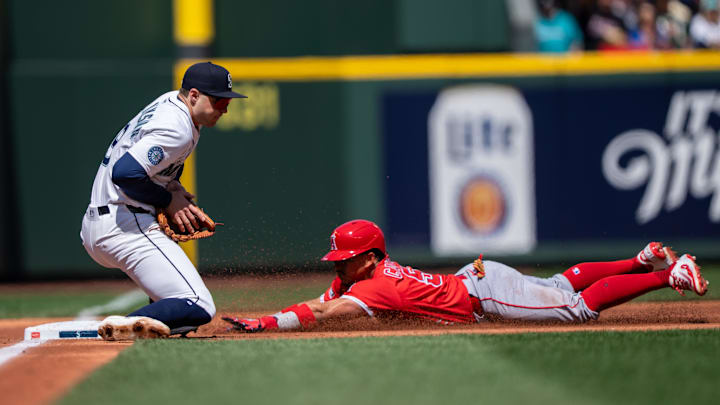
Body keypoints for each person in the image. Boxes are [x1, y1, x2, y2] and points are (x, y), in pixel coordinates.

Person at [223, 220, 708, 332]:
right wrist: (277, 315)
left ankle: (668, 275)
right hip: (474, 278)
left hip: (485, 294)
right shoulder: (361, 273)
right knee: (561, 285)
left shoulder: (375, 283)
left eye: (344, 260)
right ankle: (641, 260)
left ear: (368, 258)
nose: (338, 266)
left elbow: (325, 311)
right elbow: (324, 298)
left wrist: (265, 323)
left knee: (574, 307)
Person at [81, 62, 246, 340]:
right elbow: (125, 174)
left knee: (179, 305)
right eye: (218, 100)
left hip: (105, 221)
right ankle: (124, 325)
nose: (225, 108)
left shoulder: (171, 103)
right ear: (194, 95)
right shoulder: (177, 128)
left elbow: (145, 166)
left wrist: (172, 187)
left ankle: (149, 318)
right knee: (199, 304)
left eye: (227, 100)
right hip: (125, 225)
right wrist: (167, 199)